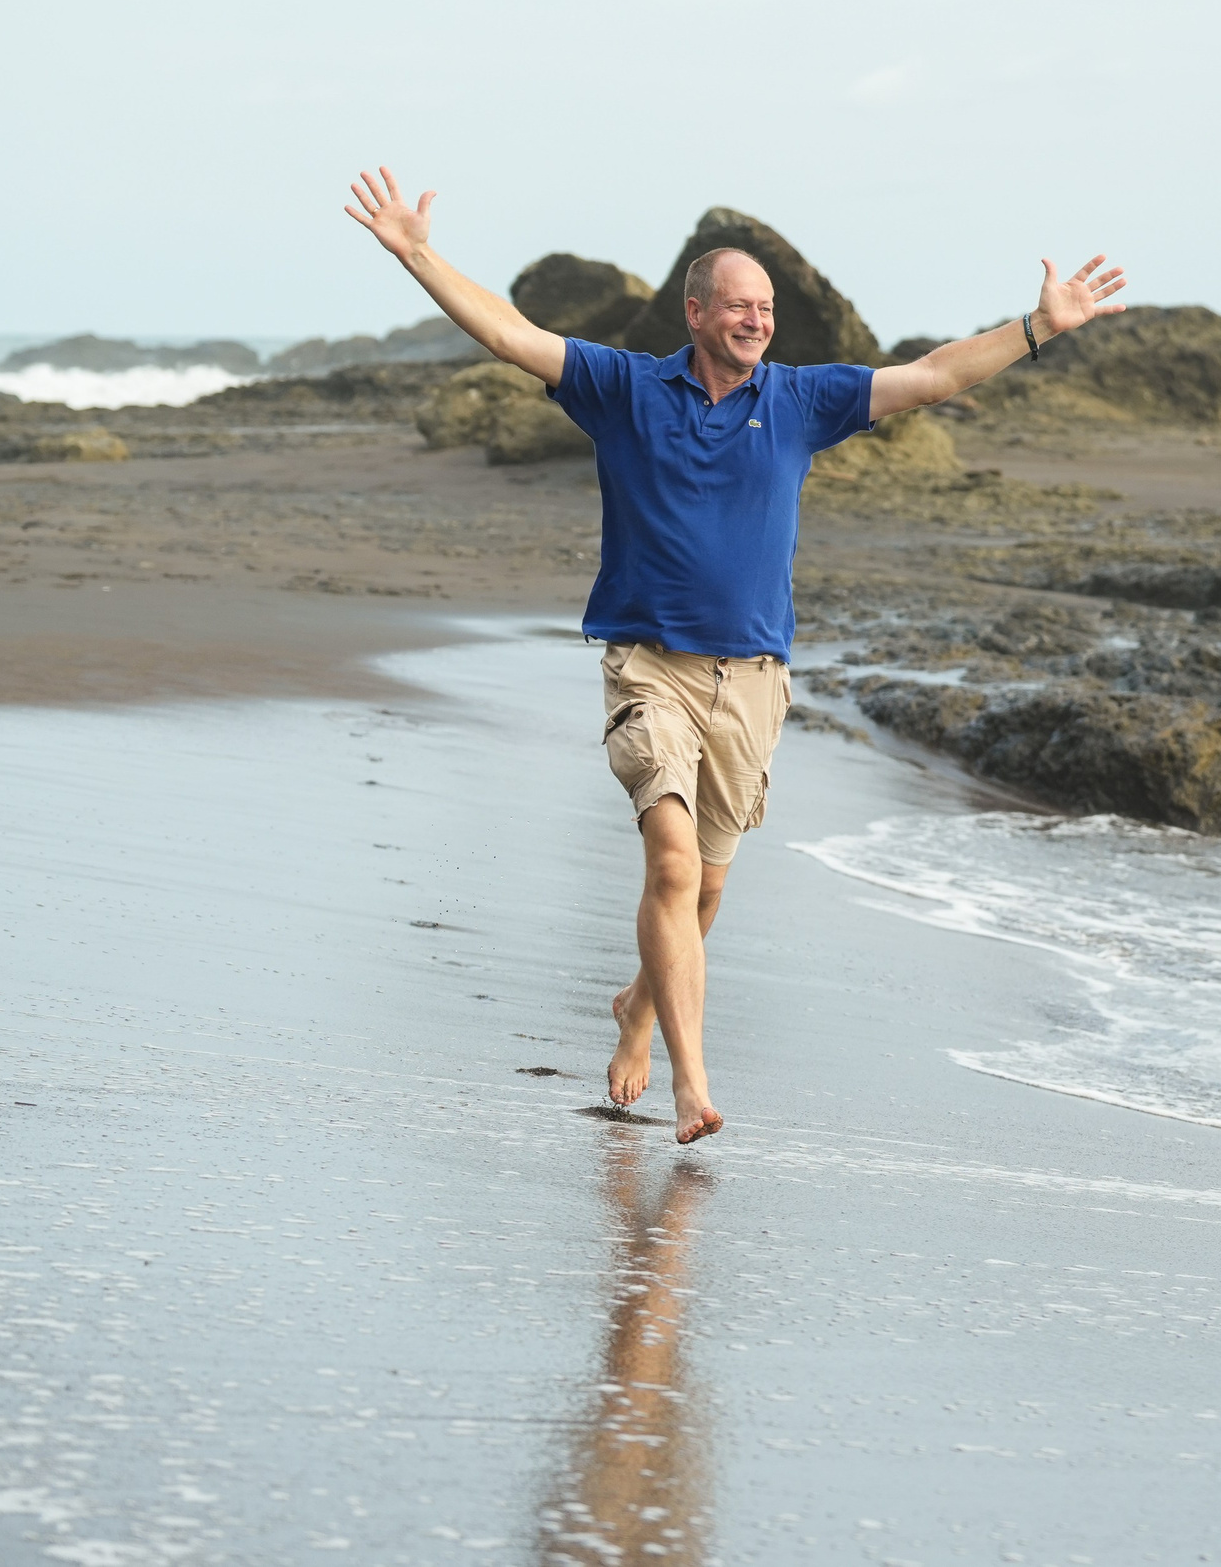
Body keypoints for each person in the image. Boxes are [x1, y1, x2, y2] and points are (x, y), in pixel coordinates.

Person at [345, 167, 1125, 1144]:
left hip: (751, 681)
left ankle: (637, 1005)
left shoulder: (801, 401)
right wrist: (418, 252)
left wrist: (1038, 327)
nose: (757, 321)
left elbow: (931, 377)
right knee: (671, 866)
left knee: (706, 888)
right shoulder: (624, 388)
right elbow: (510, 334)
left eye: (766, 308)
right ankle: (691, 1080)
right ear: (696, 311)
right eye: (739, 306)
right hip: (649, 666)